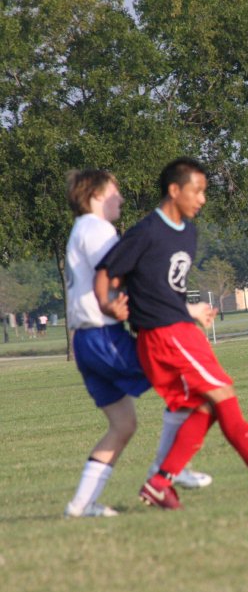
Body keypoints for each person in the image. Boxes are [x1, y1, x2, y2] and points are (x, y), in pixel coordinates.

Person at [95, 157, 248, 510]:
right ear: (174, 190)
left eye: (204, 191)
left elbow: (166, 287)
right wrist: (108, 304)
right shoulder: (146, 231)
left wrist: (190, 311)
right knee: (223, 393)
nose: (202, 198)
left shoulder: (188, 232)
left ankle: (160, 483)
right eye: (197, 190)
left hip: (179, 328)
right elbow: (107, 274)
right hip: (164, 334)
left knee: (207, 408)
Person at [62, 169, 212, 519]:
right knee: (186, 384)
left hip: (87, 341)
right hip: (105, 336)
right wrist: (187, 308)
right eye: (115, 191)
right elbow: (128, 276)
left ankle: (80, 505)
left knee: (123, 425)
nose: (122, 199)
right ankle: (166, 472)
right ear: (96, 195)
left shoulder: (80, 230)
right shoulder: (98, 229)